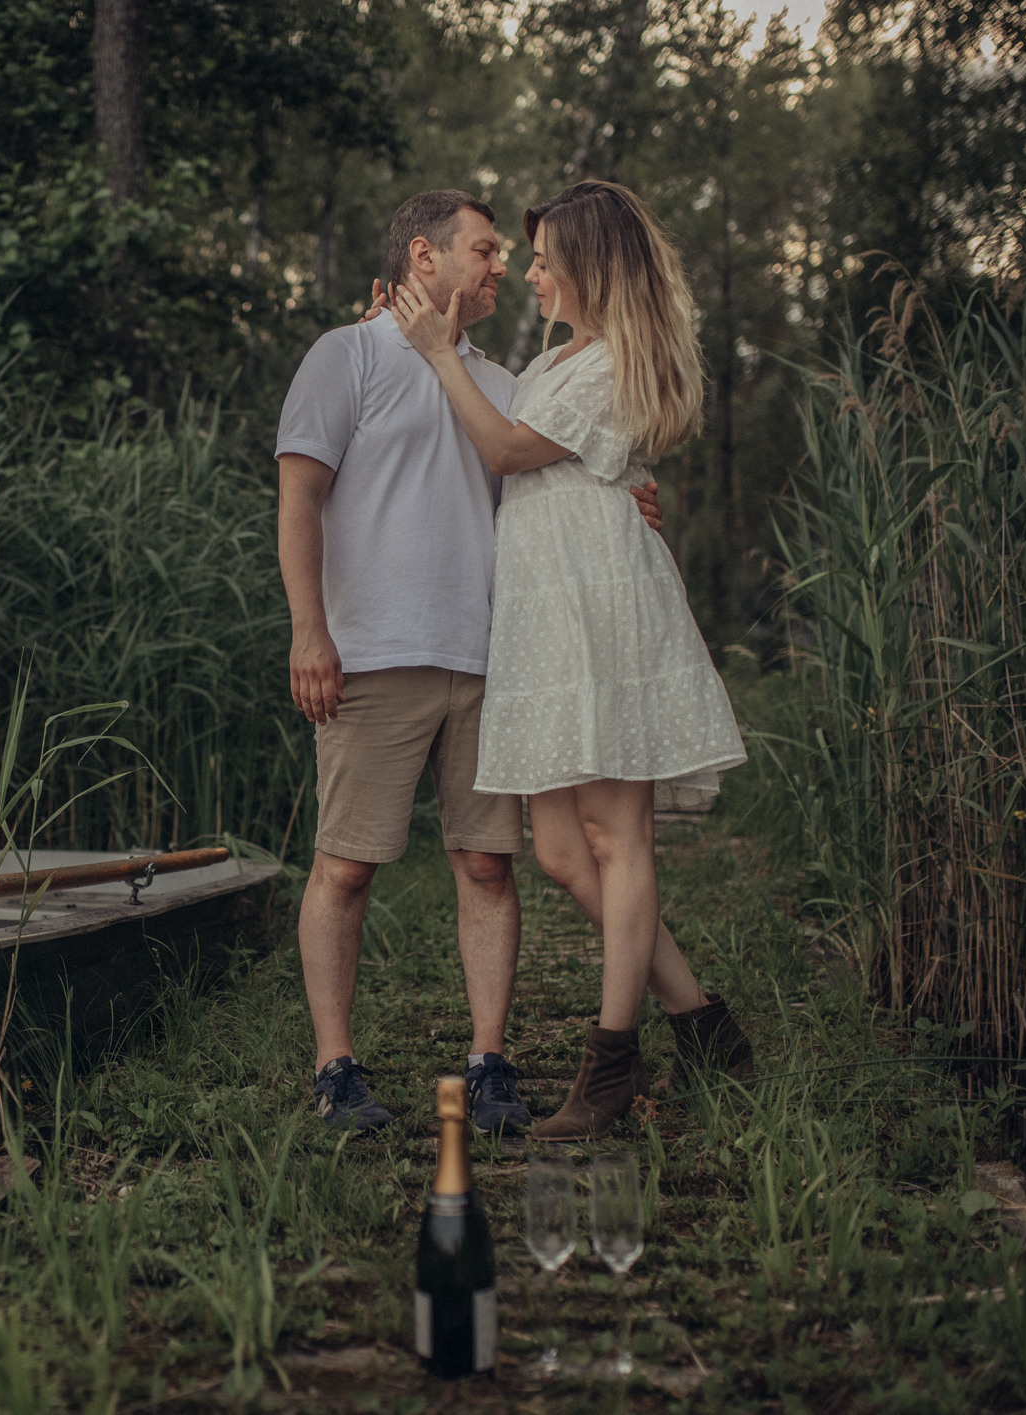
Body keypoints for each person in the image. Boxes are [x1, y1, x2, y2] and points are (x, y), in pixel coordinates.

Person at [274, 189, 662, 1137]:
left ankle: (489, 1062)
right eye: (484, 251)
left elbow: (553, 478)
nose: (501, 269)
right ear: (422, 257)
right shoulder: (345, 355)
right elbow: (297, 499)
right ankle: (335, 1067)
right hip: (370, 655)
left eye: (503, 255)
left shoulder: (502, 379)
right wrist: (309, 632)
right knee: (344, 867)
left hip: (489, 657)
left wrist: (627, 499)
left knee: (489, 865)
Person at [386, 179, 753, 1142]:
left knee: (615, 836)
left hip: (598, 603)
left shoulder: (612, 361)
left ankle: (610, 1066)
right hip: (545, 612)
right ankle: (701, 1020)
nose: (532, 273)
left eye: (545, 259)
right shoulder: (559, 359)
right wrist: (422, 341)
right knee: (556, 852)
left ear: (590, 266)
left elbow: (505, 450)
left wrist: (433, 352)